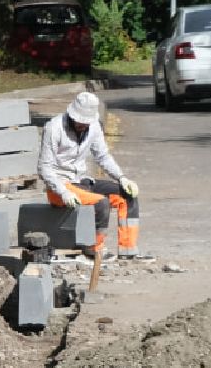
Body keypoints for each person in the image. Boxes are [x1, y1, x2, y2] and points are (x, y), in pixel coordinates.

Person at [38, 91, 150, 261]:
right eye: (80, 122)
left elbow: (103, 156)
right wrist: (63, 191)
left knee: (127, 197)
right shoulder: (53, 128)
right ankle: (94, 250)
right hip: (60, 187)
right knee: (101, 203)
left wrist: (121, 178)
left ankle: (128, 250)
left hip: (82, 182)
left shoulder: (94, 126)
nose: (83, 125)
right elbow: (44, 168)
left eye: (86, 122)